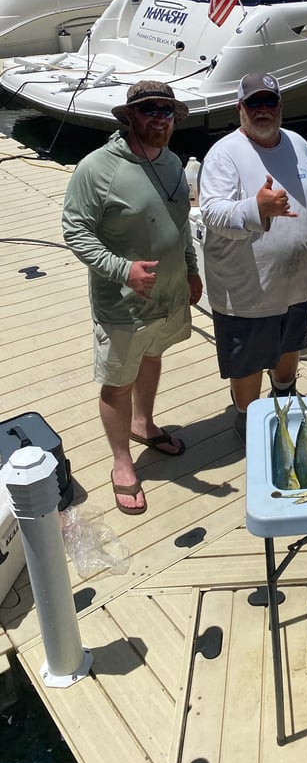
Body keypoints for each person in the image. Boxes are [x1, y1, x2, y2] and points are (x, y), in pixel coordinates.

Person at [62, 81, 203, 515]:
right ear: (130, 117)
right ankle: (122, 463)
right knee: (117, 383)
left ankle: (144, 424)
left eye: (167, 111)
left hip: (168, 296)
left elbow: (180, 224)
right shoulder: (96, 168)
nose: (159, 118)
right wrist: (123, 269)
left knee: (153, 356)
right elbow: (74, 229)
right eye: (149, 110)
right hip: (121, 304)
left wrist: (193, 270)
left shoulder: (174, 162)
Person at [199, 72, 307, 436]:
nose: (262, 110)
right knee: (248, 367)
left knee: (289, 349)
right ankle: (248, 422)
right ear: (240, 108)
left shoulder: (299, 143)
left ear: (280, 106)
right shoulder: (224, 154)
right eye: (254, 103)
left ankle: (284, 398)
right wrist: (256, 208)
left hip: (296, 283)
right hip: (247, 292)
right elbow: (212, 213)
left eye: (270, 102)